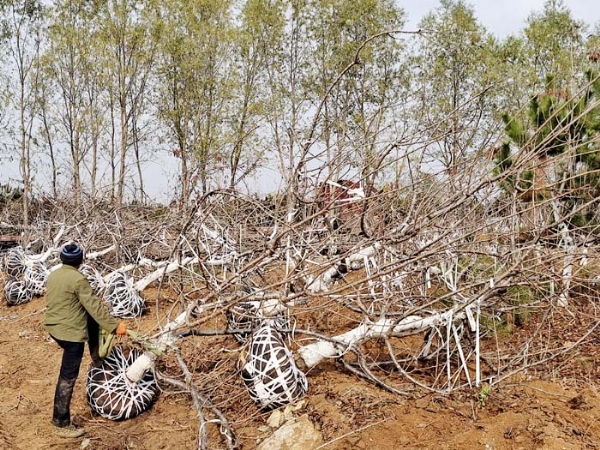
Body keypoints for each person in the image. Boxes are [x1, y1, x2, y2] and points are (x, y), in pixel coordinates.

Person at [45, 243, 129, 438]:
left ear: (61, 259)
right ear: (81, 260)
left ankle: (97, 356)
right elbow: (94, 307)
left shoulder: (54, 275)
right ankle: (60, 422)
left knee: (92, 319)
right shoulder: (78, 279)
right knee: (68, 376)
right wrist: (115, 326)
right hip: (70, 334)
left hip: (53, 327)